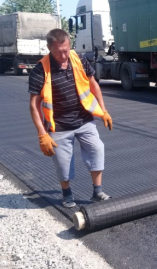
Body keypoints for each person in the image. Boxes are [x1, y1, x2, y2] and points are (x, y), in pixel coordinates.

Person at [28, 29, 113, 208]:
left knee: (97, 149)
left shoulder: (79, 59)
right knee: (63, 163)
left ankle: (97, 192)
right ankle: (67, 194)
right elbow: (33, 105)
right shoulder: (40, 69)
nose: (64, 55)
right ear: (49, 48)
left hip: (84, 119)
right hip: (59, 125)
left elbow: (93, 85)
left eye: (66, 49)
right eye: (59, 52)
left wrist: (103, 110)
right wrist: (42, 134)